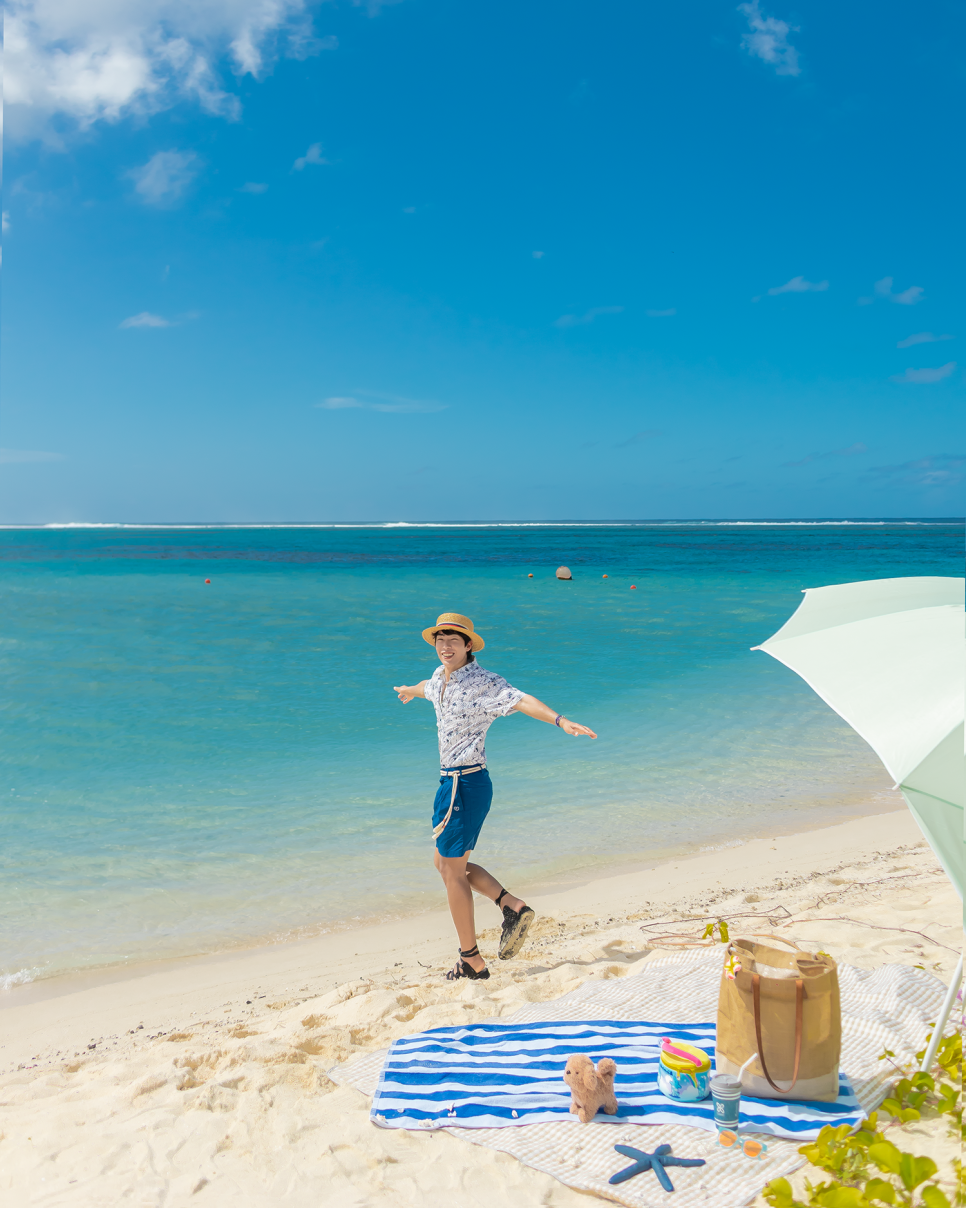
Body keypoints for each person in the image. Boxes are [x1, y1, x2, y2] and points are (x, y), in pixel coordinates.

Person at [393, 612, 597, 981]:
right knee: (444, 865)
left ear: (469, 645)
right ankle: (511, 906)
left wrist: (559, 720)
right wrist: (410, 689)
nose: (446, 645)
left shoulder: (484, 682)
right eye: (440, 639)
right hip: (451, 784)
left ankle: (471, 959)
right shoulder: (441, 675)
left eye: (454, 639)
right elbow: (429, 686)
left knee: (451, 871)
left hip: (466, 784)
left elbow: (520, 700)